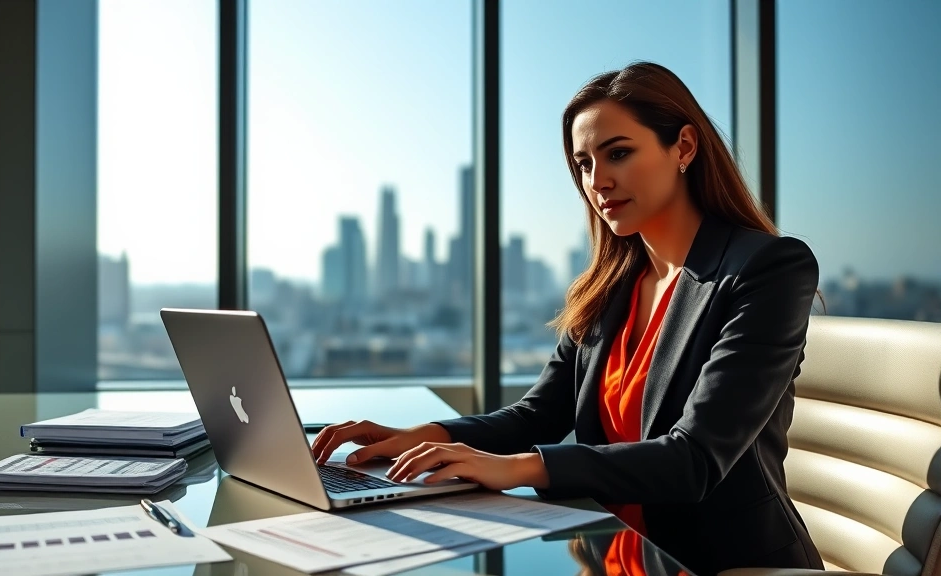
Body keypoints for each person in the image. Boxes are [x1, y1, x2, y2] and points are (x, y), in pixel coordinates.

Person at [311, 61, 824, 576]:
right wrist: (426, 436)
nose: (597, 181)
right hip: (606, 552)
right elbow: (538, 415)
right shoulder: (612, 286)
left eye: (618, 153)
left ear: (684, 147)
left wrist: (515, 468)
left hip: (715, 562)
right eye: (583, 163)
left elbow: (694, 459)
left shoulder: (767, 270)